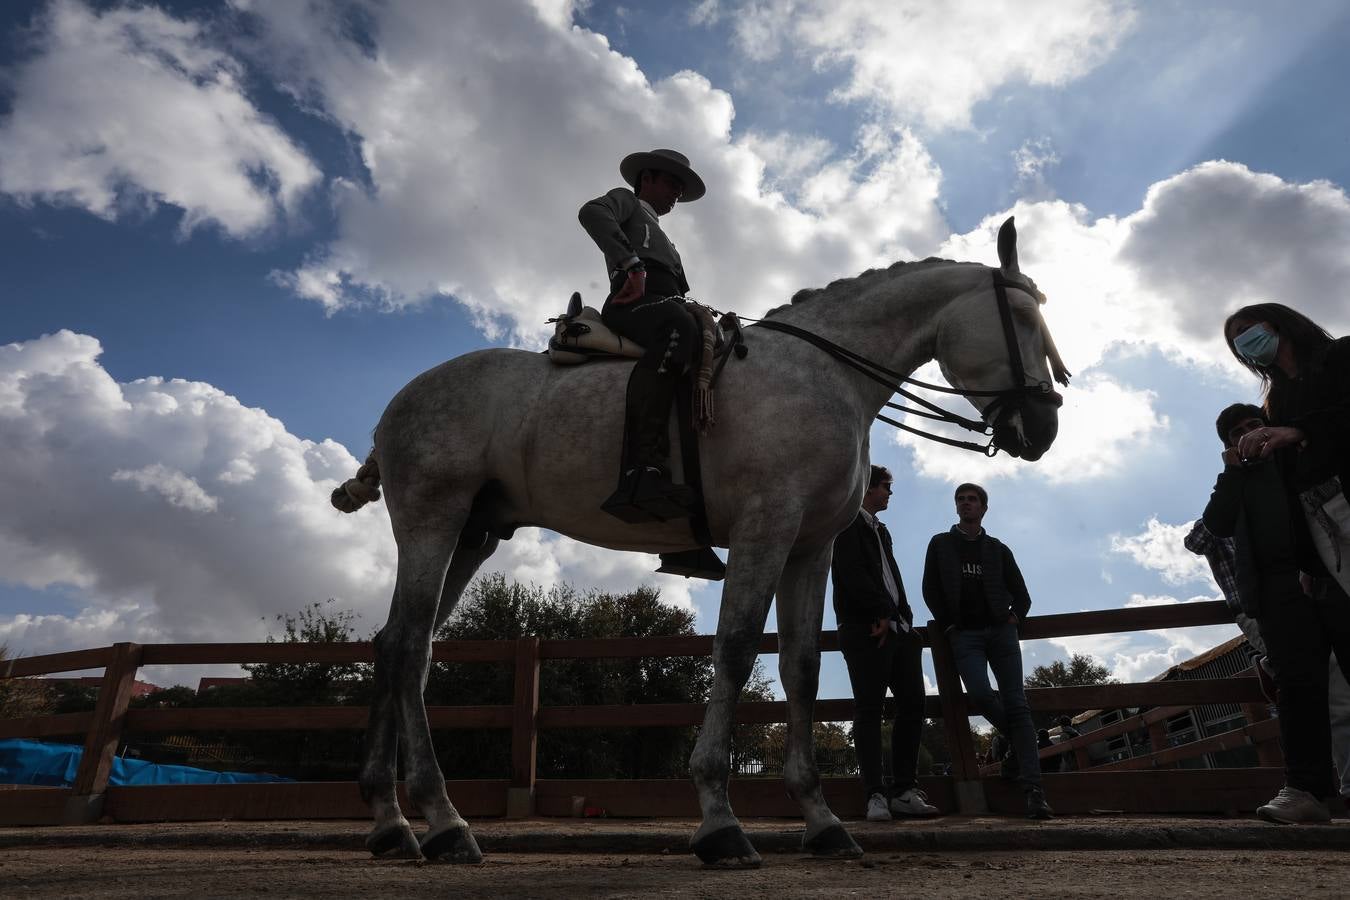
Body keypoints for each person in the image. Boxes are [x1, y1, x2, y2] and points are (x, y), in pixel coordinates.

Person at [1194, 388, 1350, 823]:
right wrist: (1232, 473)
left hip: (1329, 576)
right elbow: (1214, 525)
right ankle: (1306, 792)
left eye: (1253, 425)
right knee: (1299, 692)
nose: (1249, 435)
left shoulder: (1301, 457)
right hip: (1276, 595)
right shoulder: (1238, 481)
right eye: (1236, 434)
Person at [578, 149, 707, 523]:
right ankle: (642, 471)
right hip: (633, 302)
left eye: (680, 191)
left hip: (668, 302)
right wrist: (631, 264)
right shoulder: (626, 201)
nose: (676, 196)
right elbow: (591, 212)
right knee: (677, 330)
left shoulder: (666, 237)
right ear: (647, 178)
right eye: (671, 184)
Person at [921, 483, 1052, 819]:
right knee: (979, 693)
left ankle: (1034, 792)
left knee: (1017, 704)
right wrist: (948, 624)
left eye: (973, 499)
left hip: (1001, 634)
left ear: (983, 508)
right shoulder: (940, 544)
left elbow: (1022, 595)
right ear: (956, 507)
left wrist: (1013, 619)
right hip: (964, 635)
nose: (966, 503)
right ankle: (1019, 744)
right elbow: (930, 589)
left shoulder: (997, 549)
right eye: (961, 499)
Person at [830, 465, 939, 821]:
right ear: (868, 488)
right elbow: (852, 574)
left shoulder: (882, 531)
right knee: (869, 709)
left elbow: (891, 578)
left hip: (896, 629)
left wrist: (905, 622)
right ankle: (874, 793)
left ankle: (904, 789)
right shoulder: (845, 524)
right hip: (865, 629)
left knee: (912, 704)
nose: (890, 494)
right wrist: (880, 612)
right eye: (886, 487)